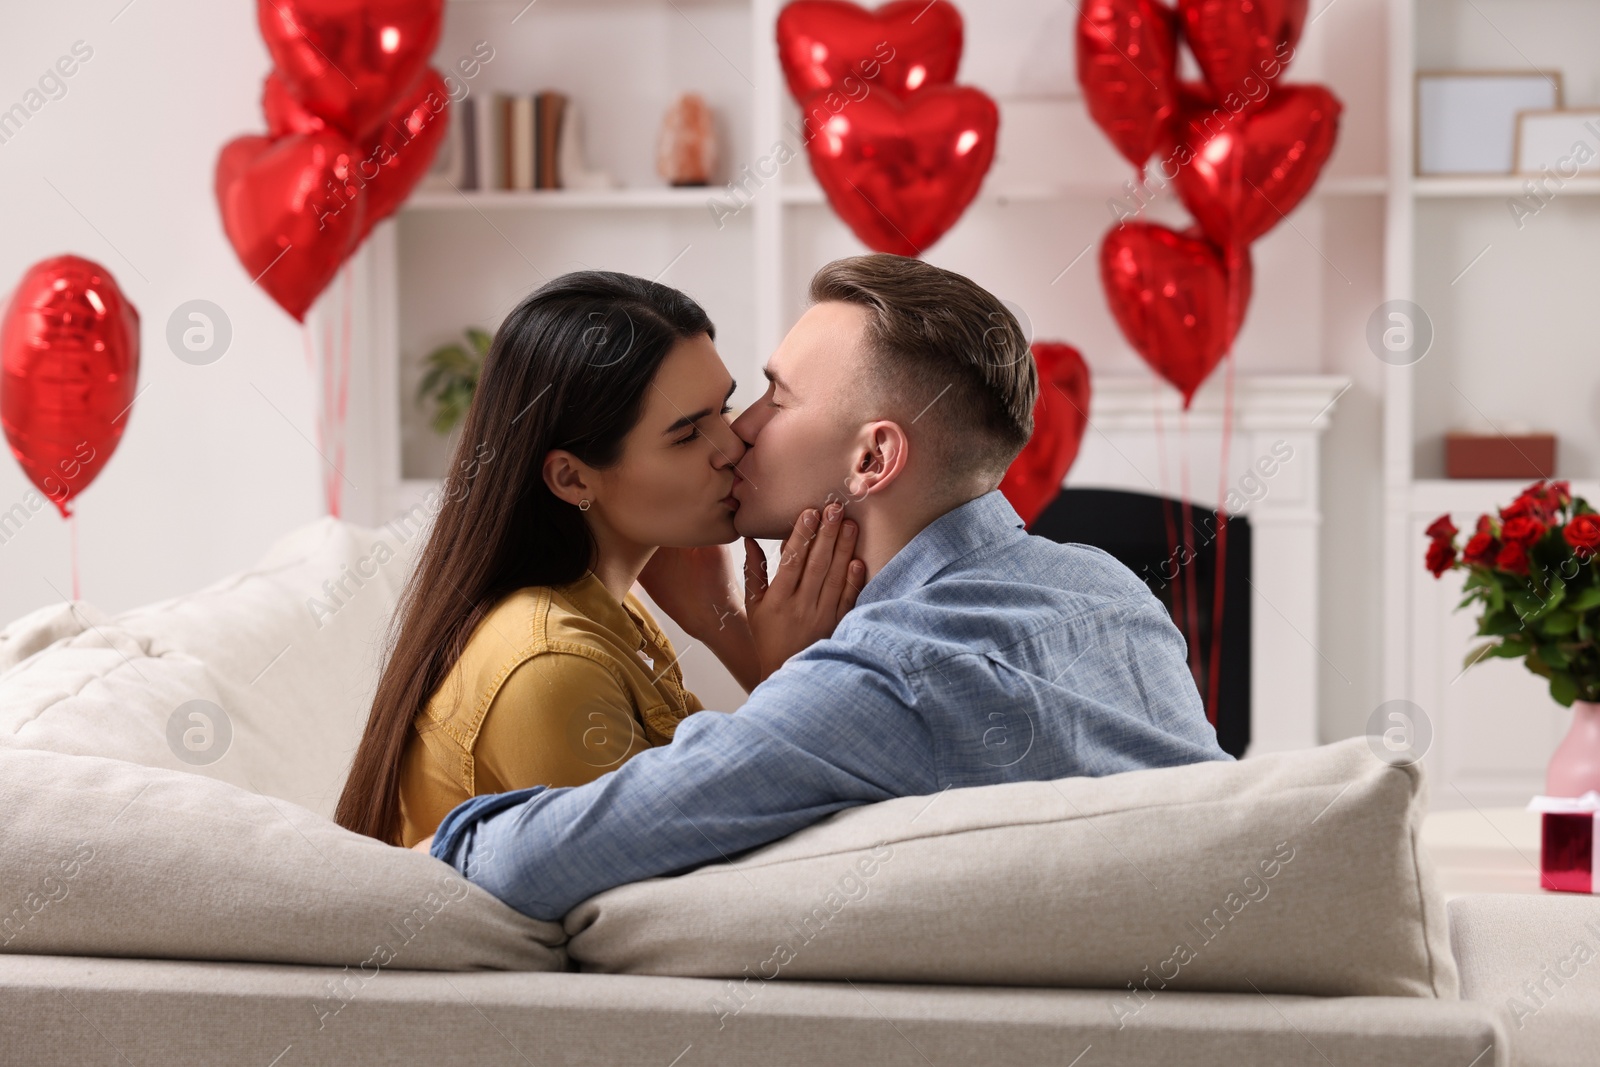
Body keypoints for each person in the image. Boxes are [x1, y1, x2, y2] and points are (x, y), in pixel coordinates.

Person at [416, 254, 1234, 919]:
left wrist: (396, 852)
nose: (741, 429)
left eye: (777, 397)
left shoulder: (887, 677)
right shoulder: (1112, 587)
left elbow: (538, 858)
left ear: (872, 460)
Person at [335, 271, 861, 848]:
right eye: (687, 436)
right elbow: (689, 892)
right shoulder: (549, 665)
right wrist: (787, 673)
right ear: (571, 477)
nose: (733, 446)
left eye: (724, 408)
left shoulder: (613, 614)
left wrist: (719, 618)